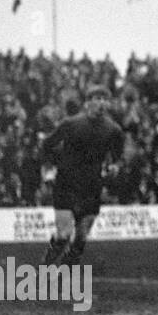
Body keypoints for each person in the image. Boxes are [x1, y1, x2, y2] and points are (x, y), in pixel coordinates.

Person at [39, 84, 126, 265]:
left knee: (81, 237)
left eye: (105, 100)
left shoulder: (114, 130)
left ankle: (65, 273)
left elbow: (118, 157)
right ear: (88, 102)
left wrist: (114, 167)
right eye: (97, 99)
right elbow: (47, 145)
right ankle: (44, 269)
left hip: (91, 185)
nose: (102, 103)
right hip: (66, 182)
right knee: (63, 234)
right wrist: (51, 168)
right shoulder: (70, 124)